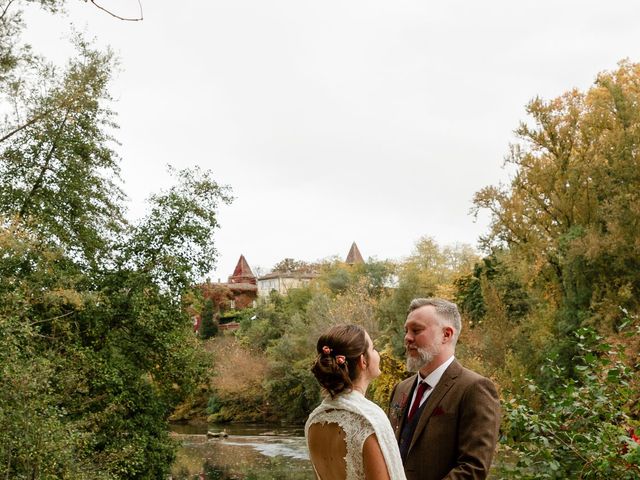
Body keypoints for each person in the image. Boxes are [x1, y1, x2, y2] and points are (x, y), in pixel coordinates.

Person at [388, 298, 501, 480]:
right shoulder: (401, 389)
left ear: (446, 335)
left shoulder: (475, 389)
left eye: (416, 330)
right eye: (406, 331)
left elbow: (473, 468)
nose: (407, 338)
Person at [306, 324, 407, 480]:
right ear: (363, 361)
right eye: (373, 348)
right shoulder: (368, 420)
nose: (377, 353)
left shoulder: (314, 420)